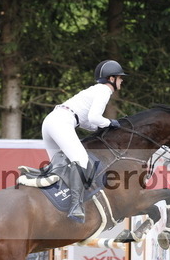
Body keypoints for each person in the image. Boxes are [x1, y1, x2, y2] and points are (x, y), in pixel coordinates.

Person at [41, 60, 126, 223]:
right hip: (62, 122)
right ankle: (75, 206)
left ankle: (53, 207)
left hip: (51, 121)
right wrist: (110, 123)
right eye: (120, 77)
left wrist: (100, 127)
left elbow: (87, 122)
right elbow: (94, 118)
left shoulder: (93, 90)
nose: (122, 80)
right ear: (111, 78)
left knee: (59, 167)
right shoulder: (104, 90)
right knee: (81, 160)